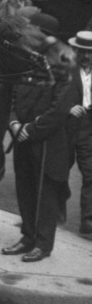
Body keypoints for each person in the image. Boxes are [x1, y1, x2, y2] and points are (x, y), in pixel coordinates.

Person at [5, 16, 76, 261]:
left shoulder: (65, 63)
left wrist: (30, 130)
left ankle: (43, 244)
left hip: (48, 142)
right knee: (24, 188)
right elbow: (12, 95)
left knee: (46, 193)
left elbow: (59, 109)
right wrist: (14, 124)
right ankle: (27, 236)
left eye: (33, 31)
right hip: (22, 136)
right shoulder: (27, 60)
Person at [68, 31, 92, 237]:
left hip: (88, 128)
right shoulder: (65, 69)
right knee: (56, 175)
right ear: (76, 50)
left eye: (90, 53)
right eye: (82, 52)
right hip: (65, 127)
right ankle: (51, 214)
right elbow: (52, 95)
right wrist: (68, 107)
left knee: (90, 174)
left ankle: (88, 221)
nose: (86, 57)